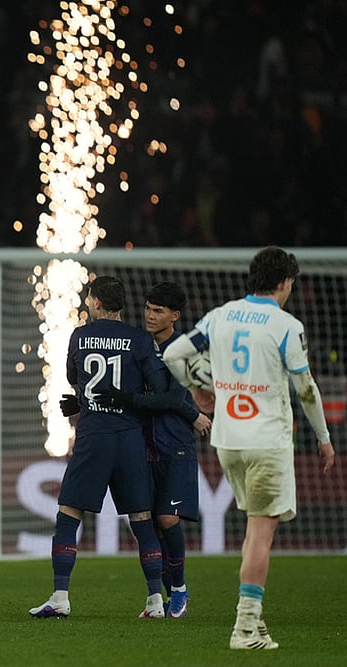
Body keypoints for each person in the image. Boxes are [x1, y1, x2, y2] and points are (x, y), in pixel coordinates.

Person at [163, 247, 335, 650]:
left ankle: (255, 625)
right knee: (262, 531)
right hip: (266, 441)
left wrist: (199, 386)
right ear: (285, 283)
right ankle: (244, 628)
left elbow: (173, 353)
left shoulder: (220, 316)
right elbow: (306, 389)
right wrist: (324, 439)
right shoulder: (285, 325)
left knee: (255, 529)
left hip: (227, 440)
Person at [30, 275, 171, 620]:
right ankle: (155, 601)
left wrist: (86, 401)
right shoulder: (140, 339)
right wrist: (131, 399)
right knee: (141, 519)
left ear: (95, 302)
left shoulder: (80, 335)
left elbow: (72, 378)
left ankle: (60, 596)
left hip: (93, 436)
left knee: (68, 514)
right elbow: (161, 386)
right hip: (129, 439)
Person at [94, 282, 212, 618]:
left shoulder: (184, 351)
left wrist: (191, 413)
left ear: (174, 316)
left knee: (166, 517)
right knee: (144, 522)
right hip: (140, 445)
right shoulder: (139, 345)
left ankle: (179, 589)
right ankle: (163, 592)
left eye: (158, 311)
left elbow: (173, 399)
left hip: (175, 446)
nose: (149, 315)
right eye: (147, 308)